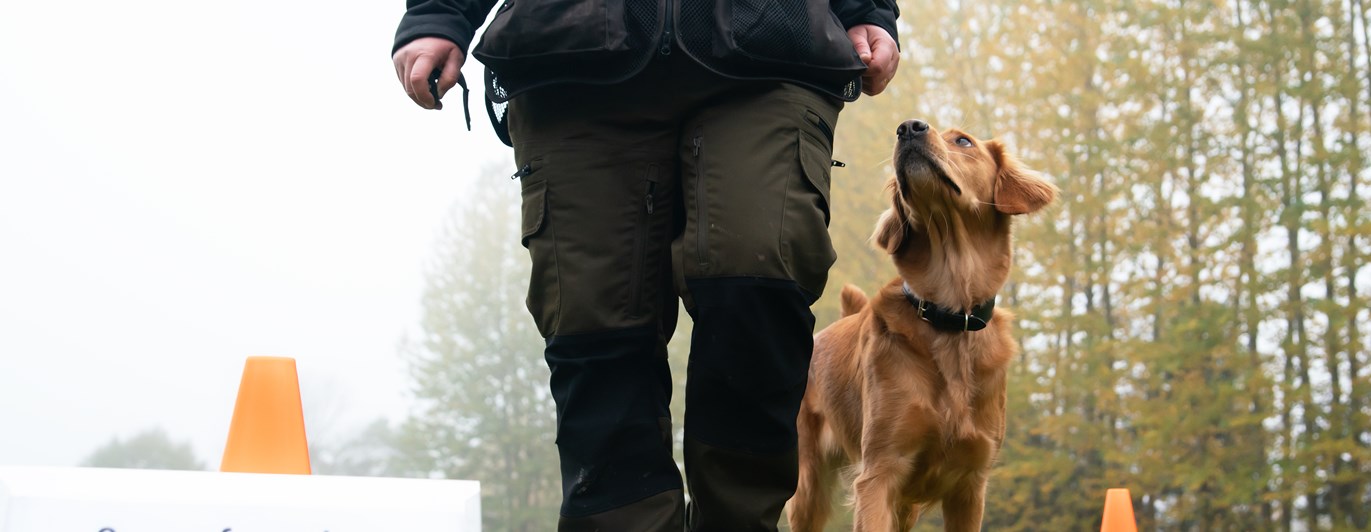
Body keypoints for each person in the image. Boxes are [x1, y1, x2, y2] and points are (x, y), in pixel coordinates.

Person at [392, 1, 899, 530]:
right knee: (595, 327)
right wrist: (438, 13)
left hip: (772, 46)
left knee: (757, 286)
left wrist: (865, 9)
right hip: (570, 53)